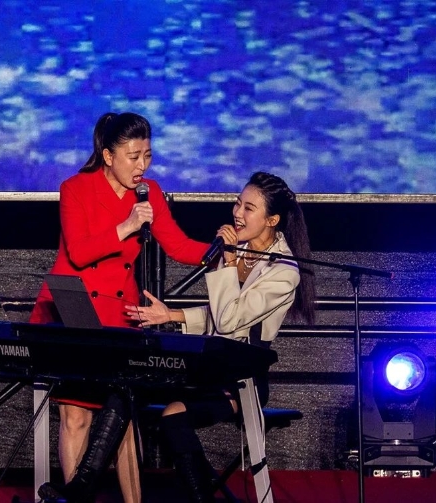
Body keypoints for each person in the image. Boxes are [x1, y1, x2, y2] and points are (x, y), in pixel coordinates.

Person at [31, 112, 209, 503]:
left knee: (123, 418)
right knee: (76, 415)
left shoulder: (149, 192)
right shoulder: (75, 188)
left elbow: (178, 245)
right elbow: (79, 252)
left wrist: (219, 253)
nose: (142, 165)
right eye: (133, 156)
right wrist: (127, 226)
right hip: (74, 308)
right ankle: (75, 499)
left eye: (148, 155)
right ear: (108, 156)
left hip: (118, 313)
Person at [128, 171, 316, 502]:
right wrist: (170, 315)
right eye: (237, 203)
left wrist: (228, 263)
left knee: (173, 415)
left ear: (272, 220)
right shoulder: (238, 251)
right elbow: (219, 312)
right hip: (211, 367)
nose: (237, 213)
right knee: (128, 391)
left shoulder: (284, 273)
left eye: (249, 208)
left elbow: (229, 322)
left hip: (243, 379)